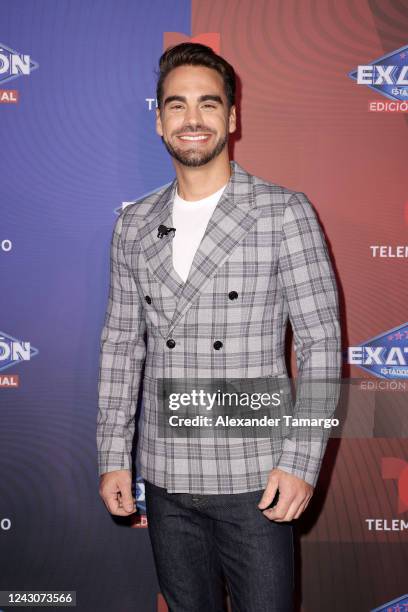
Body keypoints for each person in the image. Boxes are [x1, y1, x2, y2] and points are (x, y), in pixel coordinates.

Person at [97, 42, 342, 612]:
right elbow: (120, 344)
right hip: (164, 473)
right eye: (177, 105)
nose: (193, 119)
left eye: (209, 104)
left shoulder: (283, 211)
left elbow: (322, 344)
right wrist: (113, 454)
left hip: (256, 473)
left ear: (232, 118)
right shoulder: (134, 224)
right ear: (159, 120)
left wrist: (303, 460)